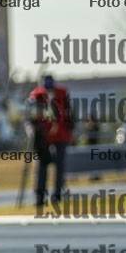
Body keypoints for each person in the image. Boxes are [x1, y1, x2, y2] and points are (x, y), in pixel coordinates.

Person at [26, 74, 74, 217]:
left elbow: (69, 114)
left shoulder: (62, 93)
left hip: (61, 135)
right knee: (42, 167)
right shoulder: (36, 95)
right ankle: (40, 197)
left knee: (60, 165)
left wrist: (71, 131)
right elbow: (30, 117)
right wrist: (34, 132)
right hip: (44, 137)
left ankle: (57, 195)